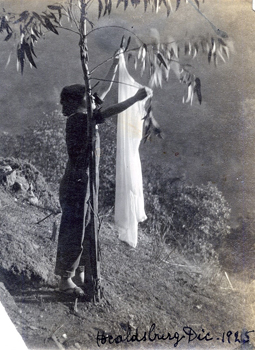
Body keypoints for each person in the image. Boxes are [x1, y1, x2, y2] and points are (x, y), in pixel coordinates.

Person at [55, 54, 148, 297]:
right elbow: (111, 109)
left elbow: (103, 91)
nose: (93, 98)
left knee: (87, 225)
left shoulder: (84, 112)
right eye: (88, 97)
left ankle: (78, 271)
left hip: (86, 180)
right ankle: (65, 279)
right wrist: (135, 98)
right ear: (78, 103)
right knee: (75, 227)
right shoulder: (79, 121)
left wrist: (115, 65)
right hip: (77, 182)